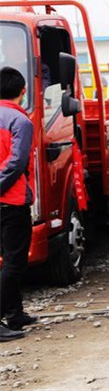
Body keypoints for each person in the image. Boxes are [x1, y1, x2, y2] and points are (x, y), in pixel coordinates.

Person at [0, 67, 38, 340]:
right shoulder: (20, 121)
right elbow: (17, 163)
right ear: (23, 91)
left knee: (7, 261)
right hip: (12, 202)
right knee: (15, 263)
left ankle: (15, 314)